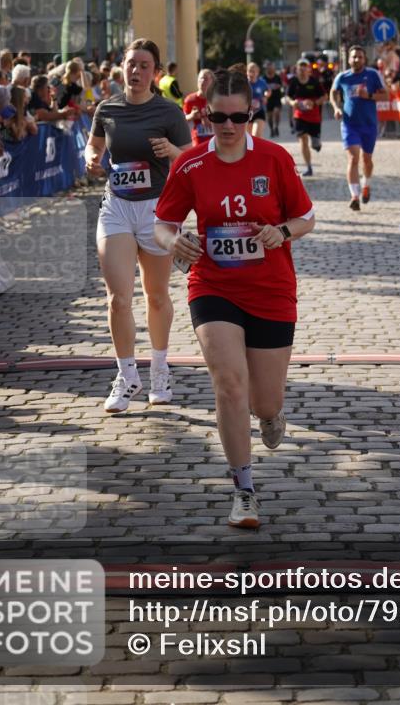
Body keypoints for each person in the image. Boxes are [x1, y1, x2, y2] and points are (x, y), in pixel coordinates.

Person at [154, 68, 315, 529]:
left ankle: (271, 414)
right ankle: (243, 490)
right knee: (228, 383)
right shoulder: (190, 164)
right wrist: (172, 243)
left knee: (263, 402)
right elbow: (162, 224)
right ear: (203, 114)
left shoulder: (274, 159)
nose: (227, 126)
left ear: (250, 114)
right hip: (213, 285)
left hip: (271, 289)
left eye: (238, 117)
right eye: (218, 117)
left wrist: (280, 231)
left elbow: (306, 218)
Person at [84, 39, 192, 415]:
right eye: (131, 64)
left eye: (144, 65)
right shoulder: (107, 107)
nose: (136, 71)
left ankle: (159, 369)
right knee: (118, 298)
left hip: (157, 210)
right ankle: (126, 375)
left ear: (155, 72)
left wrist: (171, 152)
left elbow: (191, 159)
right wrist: (92, 160)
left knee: (157, 295)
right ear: (122, 67)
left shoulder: (169, 111)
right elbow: (93, 145)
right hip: (116, 206)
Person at [330, 45, 387, 210]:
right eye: (354, 57)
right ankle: (354, 196)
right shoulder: (343, 77)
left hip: (369, 124)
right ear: (349, 59)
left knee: (367, 160)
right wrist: (336, 107)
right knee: (353, 158)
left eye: (360, 57)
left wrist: (368, 95)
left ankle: (366, 185)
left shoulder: (372, 75)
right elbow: (333, 92)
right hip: (350, 124)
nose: (357, 59)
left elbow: (386, 94)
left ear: (364, 59)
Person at [286, 59, 326, 177]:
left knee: (315, 144)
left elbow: (324, 96)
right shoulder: (293, 82)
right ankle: (309, 167)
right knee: (303, 139)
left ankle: (316, 143)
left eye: (305, 68)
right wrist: (292, 102)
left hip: (314, 117)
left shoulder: (314, 82)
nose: (302, 71)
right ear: (297, 70)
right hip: (299, 115)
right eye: (300, 68)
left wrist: (314, 103)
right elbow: (287, 97)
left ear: (308, 70)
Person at [183, 69, 215, 146]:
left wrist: (211, 120)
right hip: (197, 141)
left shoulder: (217, 99)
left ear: (212, 82)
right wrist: (192, 116)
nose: (203, 81)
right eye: (201, 78)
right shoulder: (190, 99)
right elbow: (182, 119)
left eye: (206, 79)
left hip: (215, 141)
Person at [246, 62, 269, 138]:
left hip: (259, 111)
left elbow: (268, 91)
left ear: (257, 72)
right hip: (246, 113)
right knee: (248, 138)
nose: (251, 73)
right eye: (250, 71)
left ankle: (257, 149)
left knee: (256, 135)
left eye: (254, 71)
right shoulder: (244, 84)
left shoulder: (262, 82)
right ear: (247, 72)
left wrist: (266, 96)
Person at [263, 62, 284, 137]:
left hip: (277, 98)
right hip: (268, 99)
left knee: (276, 112)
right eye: (269, 68)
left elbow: (282, 86)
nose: (270, 70)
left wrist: (280, 87)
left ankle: (276, 127)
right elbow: (262, 88)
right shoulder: (264, 78)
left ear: (274, 69)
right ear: (266, 69)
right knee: (269, 116)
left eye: (272, 68)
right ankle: (271, 129)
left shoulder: (277, 77)